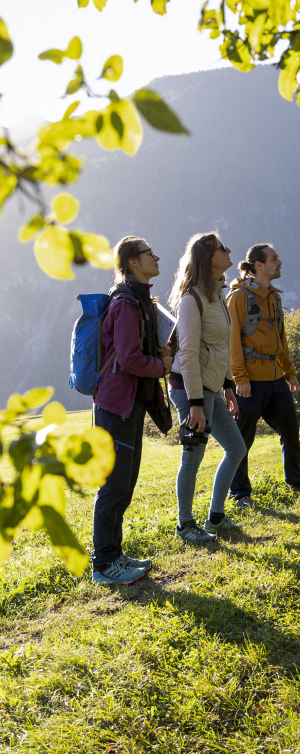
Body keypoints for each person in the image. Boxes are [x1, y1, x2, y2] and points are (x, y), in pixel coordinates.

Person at [92, 236, 172, 584]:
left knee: (125, 483)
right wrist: (161, 366)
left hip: (130, 404)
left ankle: (115, 555)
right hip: (116, 405)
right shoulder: (125, 304)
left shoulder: (139, 300)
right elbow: (128, 359)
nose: (156, 257)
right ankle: (104, 565)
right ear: (132, 262)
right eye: (148, 253)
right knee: (114, 485)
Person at [227, 244, 300, 505]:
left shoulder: (274, 296)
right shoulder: (238, 297)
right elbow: (232, 341)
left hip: (276, 378)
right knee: (242, 440)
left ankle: (295, 480)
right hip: (250, 382)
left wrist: (289, 373)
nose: (280, 262)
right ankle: (240, 493)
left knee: (290, 431)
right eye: (274, 259)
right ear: (258, 265)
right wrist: (240, 379)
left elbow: (281, 338)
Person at [168, 233, 247, 543]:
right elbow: (187, 354)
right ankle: (185, 525)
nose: (229, 251)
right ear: (210, 258)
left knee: (236, 449)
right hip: (191, 391)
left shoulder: (218, 295)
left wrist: (227, 386)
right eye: (222, 248)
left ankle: (215, 518)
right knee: (193, 458)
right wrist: (196, 404)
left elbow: (220, 346)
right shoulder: (192, 300)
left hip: (211, 389)